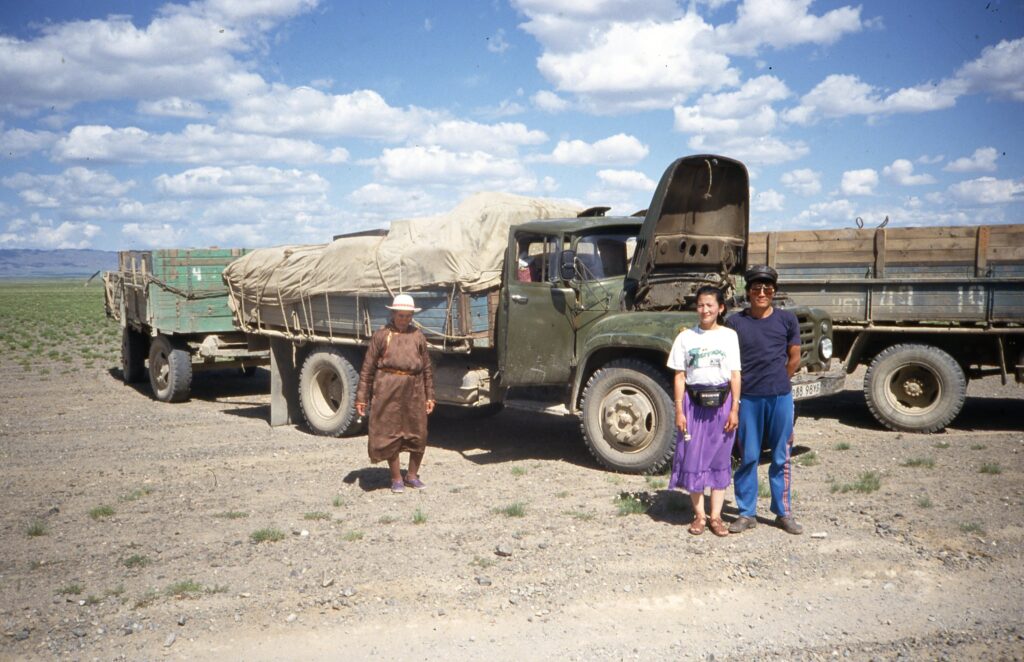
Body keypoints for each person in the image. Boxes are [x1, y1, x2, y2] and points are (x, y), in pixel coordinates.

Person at [726, 265, 803, 535]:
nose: (762, 292)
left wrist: (780, 380)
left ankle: (783, 512)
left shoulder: (786, 320)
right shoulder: (735, 323)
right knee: (748, 457)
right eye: (756, 288)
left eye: (767, 288)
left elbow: (794, 356)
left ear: (774, 292)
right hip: (748, 399)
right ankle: (746, 513)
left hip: (780, 397)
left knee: (781, 456)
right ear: (747, 292)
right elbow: (729, 362)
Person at [666, 285, 741, 537]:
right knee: (693, 458)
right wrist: (679, 410)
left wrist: (735, 409)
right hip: (693, 405)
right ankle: (699, 515)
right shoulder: (685, 338)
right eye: (700, 305)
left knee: (720, 459)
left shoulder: (729, 336)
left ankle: (716, 517)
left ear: (720, 308)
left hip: (722, 405)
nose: (705, 309)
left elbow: (734, 375)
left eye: (710, 305)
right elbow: (679, 376)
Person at [355, 293, 436, 493]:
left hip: (414, 389)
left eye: (408, 316)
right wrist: (361, 397)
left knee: (418, 433)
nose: (404, 319)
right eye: (401, 315)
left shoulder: (418, 336)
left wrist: (430, 395)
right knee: (390, 432)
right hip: (387, 388)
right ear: (393, 314)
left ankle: (412, 475)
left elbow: (426, 368)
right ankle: (396, 478)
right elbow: (367, 369)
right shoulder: (381, 336)